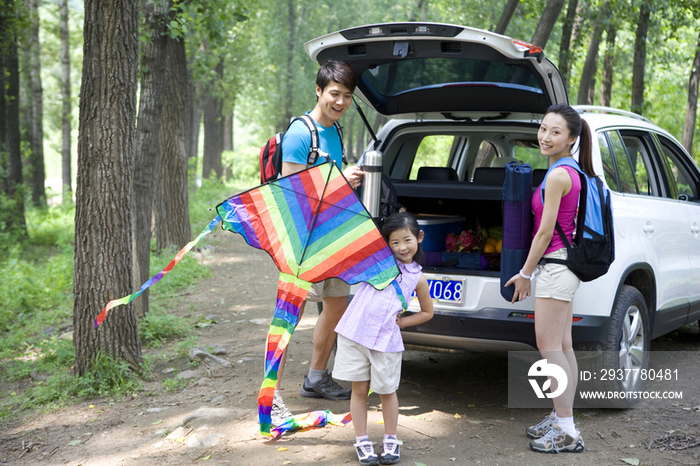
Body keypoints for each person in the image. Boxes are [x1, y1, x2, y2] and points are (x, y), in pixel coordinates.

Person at [270, 60, 365, 425]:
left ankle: (316, 378)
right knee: (287, 319)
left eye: (347, 96)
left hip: (333, 235)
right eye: (334, 94)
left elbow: (330, 185)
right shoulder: (300, 133)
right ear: (319, 90)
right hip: (302, 240)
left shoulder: (336, 131)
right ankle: (272, 396)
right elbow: (292, 193)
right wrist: (342, 179)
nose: (340, 102)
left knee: (337, 307)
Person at [505, 103, 592, 454]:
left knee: (550, 348)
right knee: (563, 346)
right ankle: (562, 419)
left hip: (555, 267)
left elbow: (543, 234)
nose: (545, 136)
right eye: (543, 128)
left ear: (571, 138)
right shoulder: (569, 169)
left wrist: (525, 273)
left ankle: (568, 431)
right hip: (564, 267)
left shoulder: (558, 175)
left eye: (555, 132)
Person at [333, 212, 434, 465]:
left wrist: (401, 323)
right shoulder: (376, 263)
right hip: (355, 333)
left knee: (387, 392)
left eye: (407, 240)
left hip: (386, 342)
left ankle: (391, 439)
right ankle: (362, 440)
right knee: (359, 390)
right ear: (386, 244)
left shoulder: (417, 278)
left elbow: (427, 312)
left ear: (419, 237)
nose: (402, 247)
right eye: (395, 242)